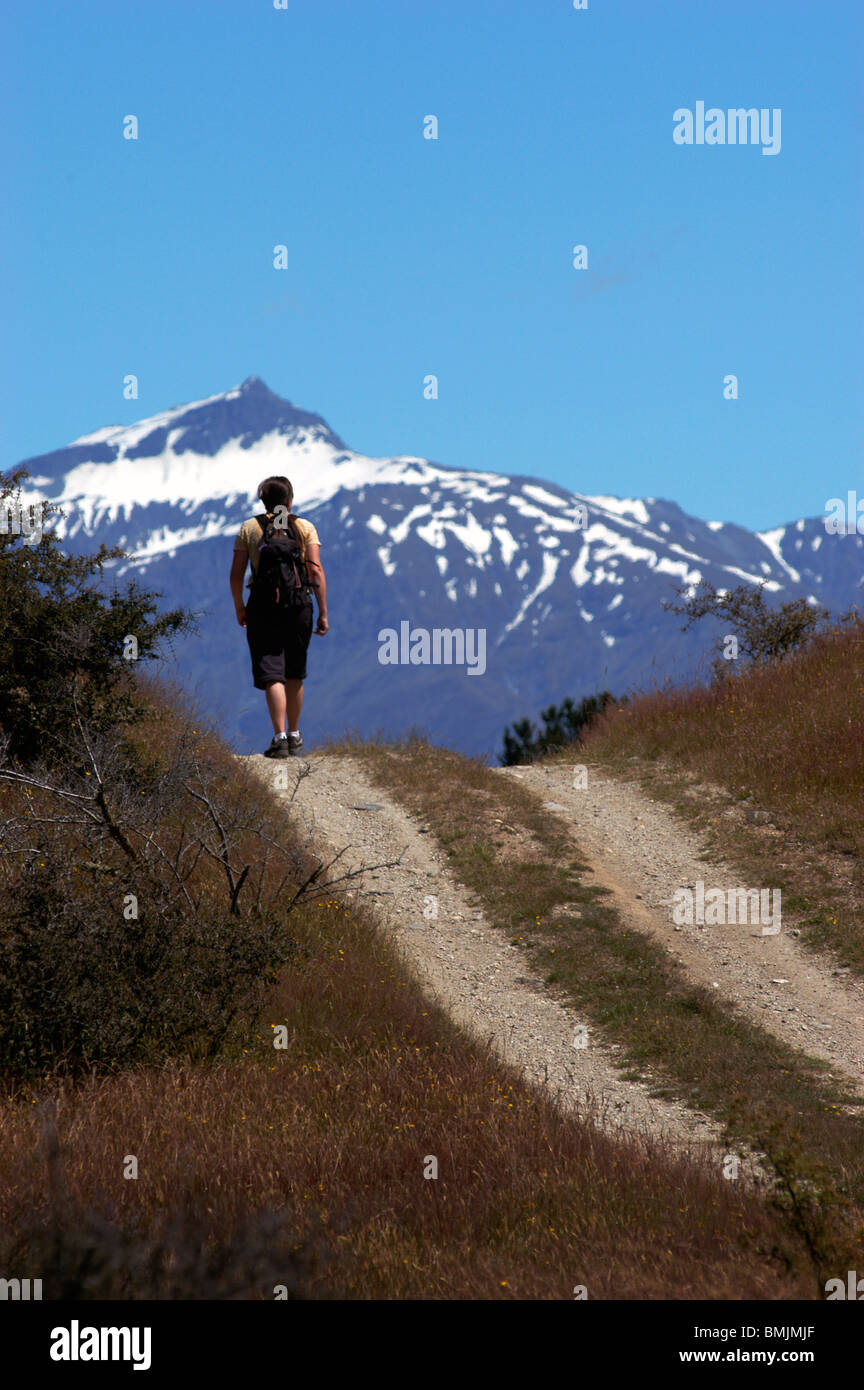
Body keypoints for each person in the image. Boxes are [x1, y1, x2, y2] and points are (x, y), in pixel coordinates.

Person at [230, 475, 328, 757]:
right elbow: (316, 571)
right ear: (290, 500)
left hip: (263, 608)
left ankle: (279, 736)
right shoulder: (303, 526)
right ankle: (296, 734)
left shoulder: (249, 528)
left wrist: (240, 606)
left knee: (273, 671)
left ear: (263, 501)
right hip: (299, 607)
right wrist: (323, 612)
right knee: (295, 671)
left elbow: (236, 575)